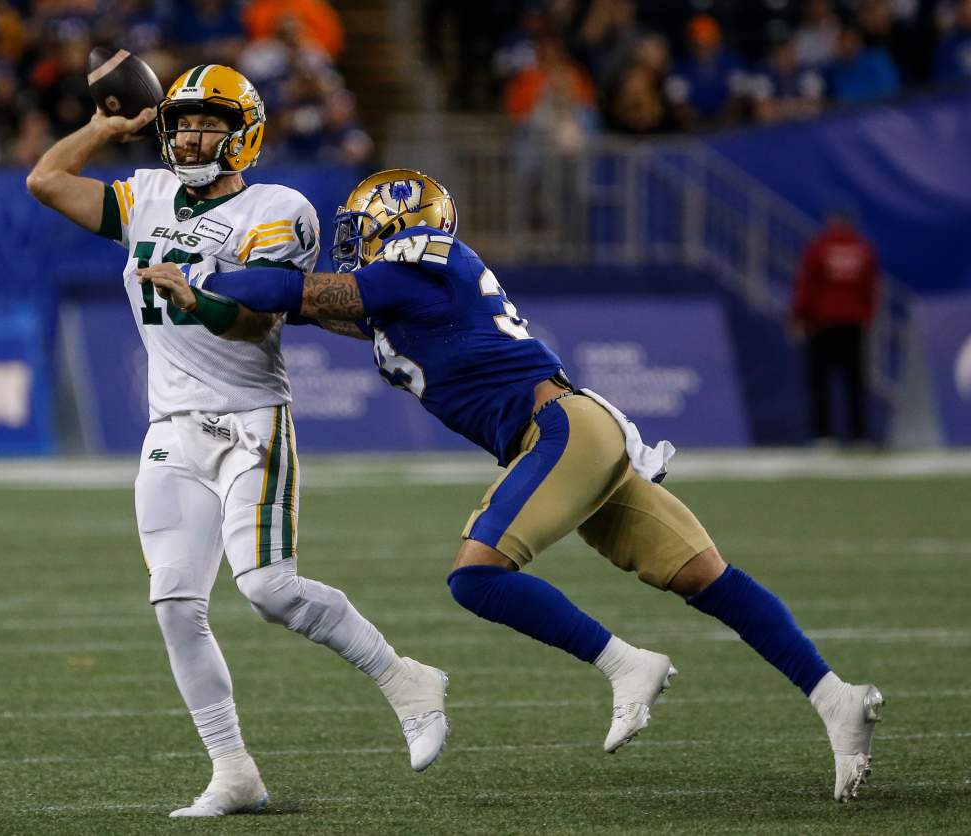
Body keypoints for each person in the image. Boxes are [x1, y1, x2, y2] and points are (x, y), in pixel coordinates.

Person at [143, 168, 885, 803]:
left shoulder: (420, 265)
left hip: (559, 431)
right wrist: (217, 301)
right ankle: (835, 698)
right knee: (706, 578)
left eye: (363, 228)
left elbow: (290, 286)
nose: (354, 244)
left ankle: (626, 663)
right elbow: (296, 305)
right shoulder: (405, 291)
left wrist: (206, 273)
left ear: (400, 224)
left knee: (477, 577)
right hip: (571, 432)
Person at [25, 73, 447, 818]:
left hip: (250, 422)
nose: (188, 137)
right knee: (173, 604)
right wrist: (101, 128)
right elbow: (46, 179)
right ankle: (233, 770)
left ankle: (405, 678)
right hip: (171, 429)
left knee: (269, 590)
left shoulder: (276, 209)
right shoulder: (147, 194)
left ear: (242, 131)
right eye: (181, 124)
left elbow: (259, 321)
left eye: (206, 125)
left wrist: (200, 297)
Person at [790, 209, 880, 444]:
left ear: (832, 222)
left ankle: (824, 434)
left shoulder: (820, 247)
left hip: (823, 322)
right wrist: (867, 315)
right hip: (853, 323)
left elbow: (807, 285)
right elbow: (871, 287)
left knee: (820, 380)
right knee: (854, 381)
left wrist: (799, 317)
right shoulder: (862, 248)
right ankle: (859, 433)